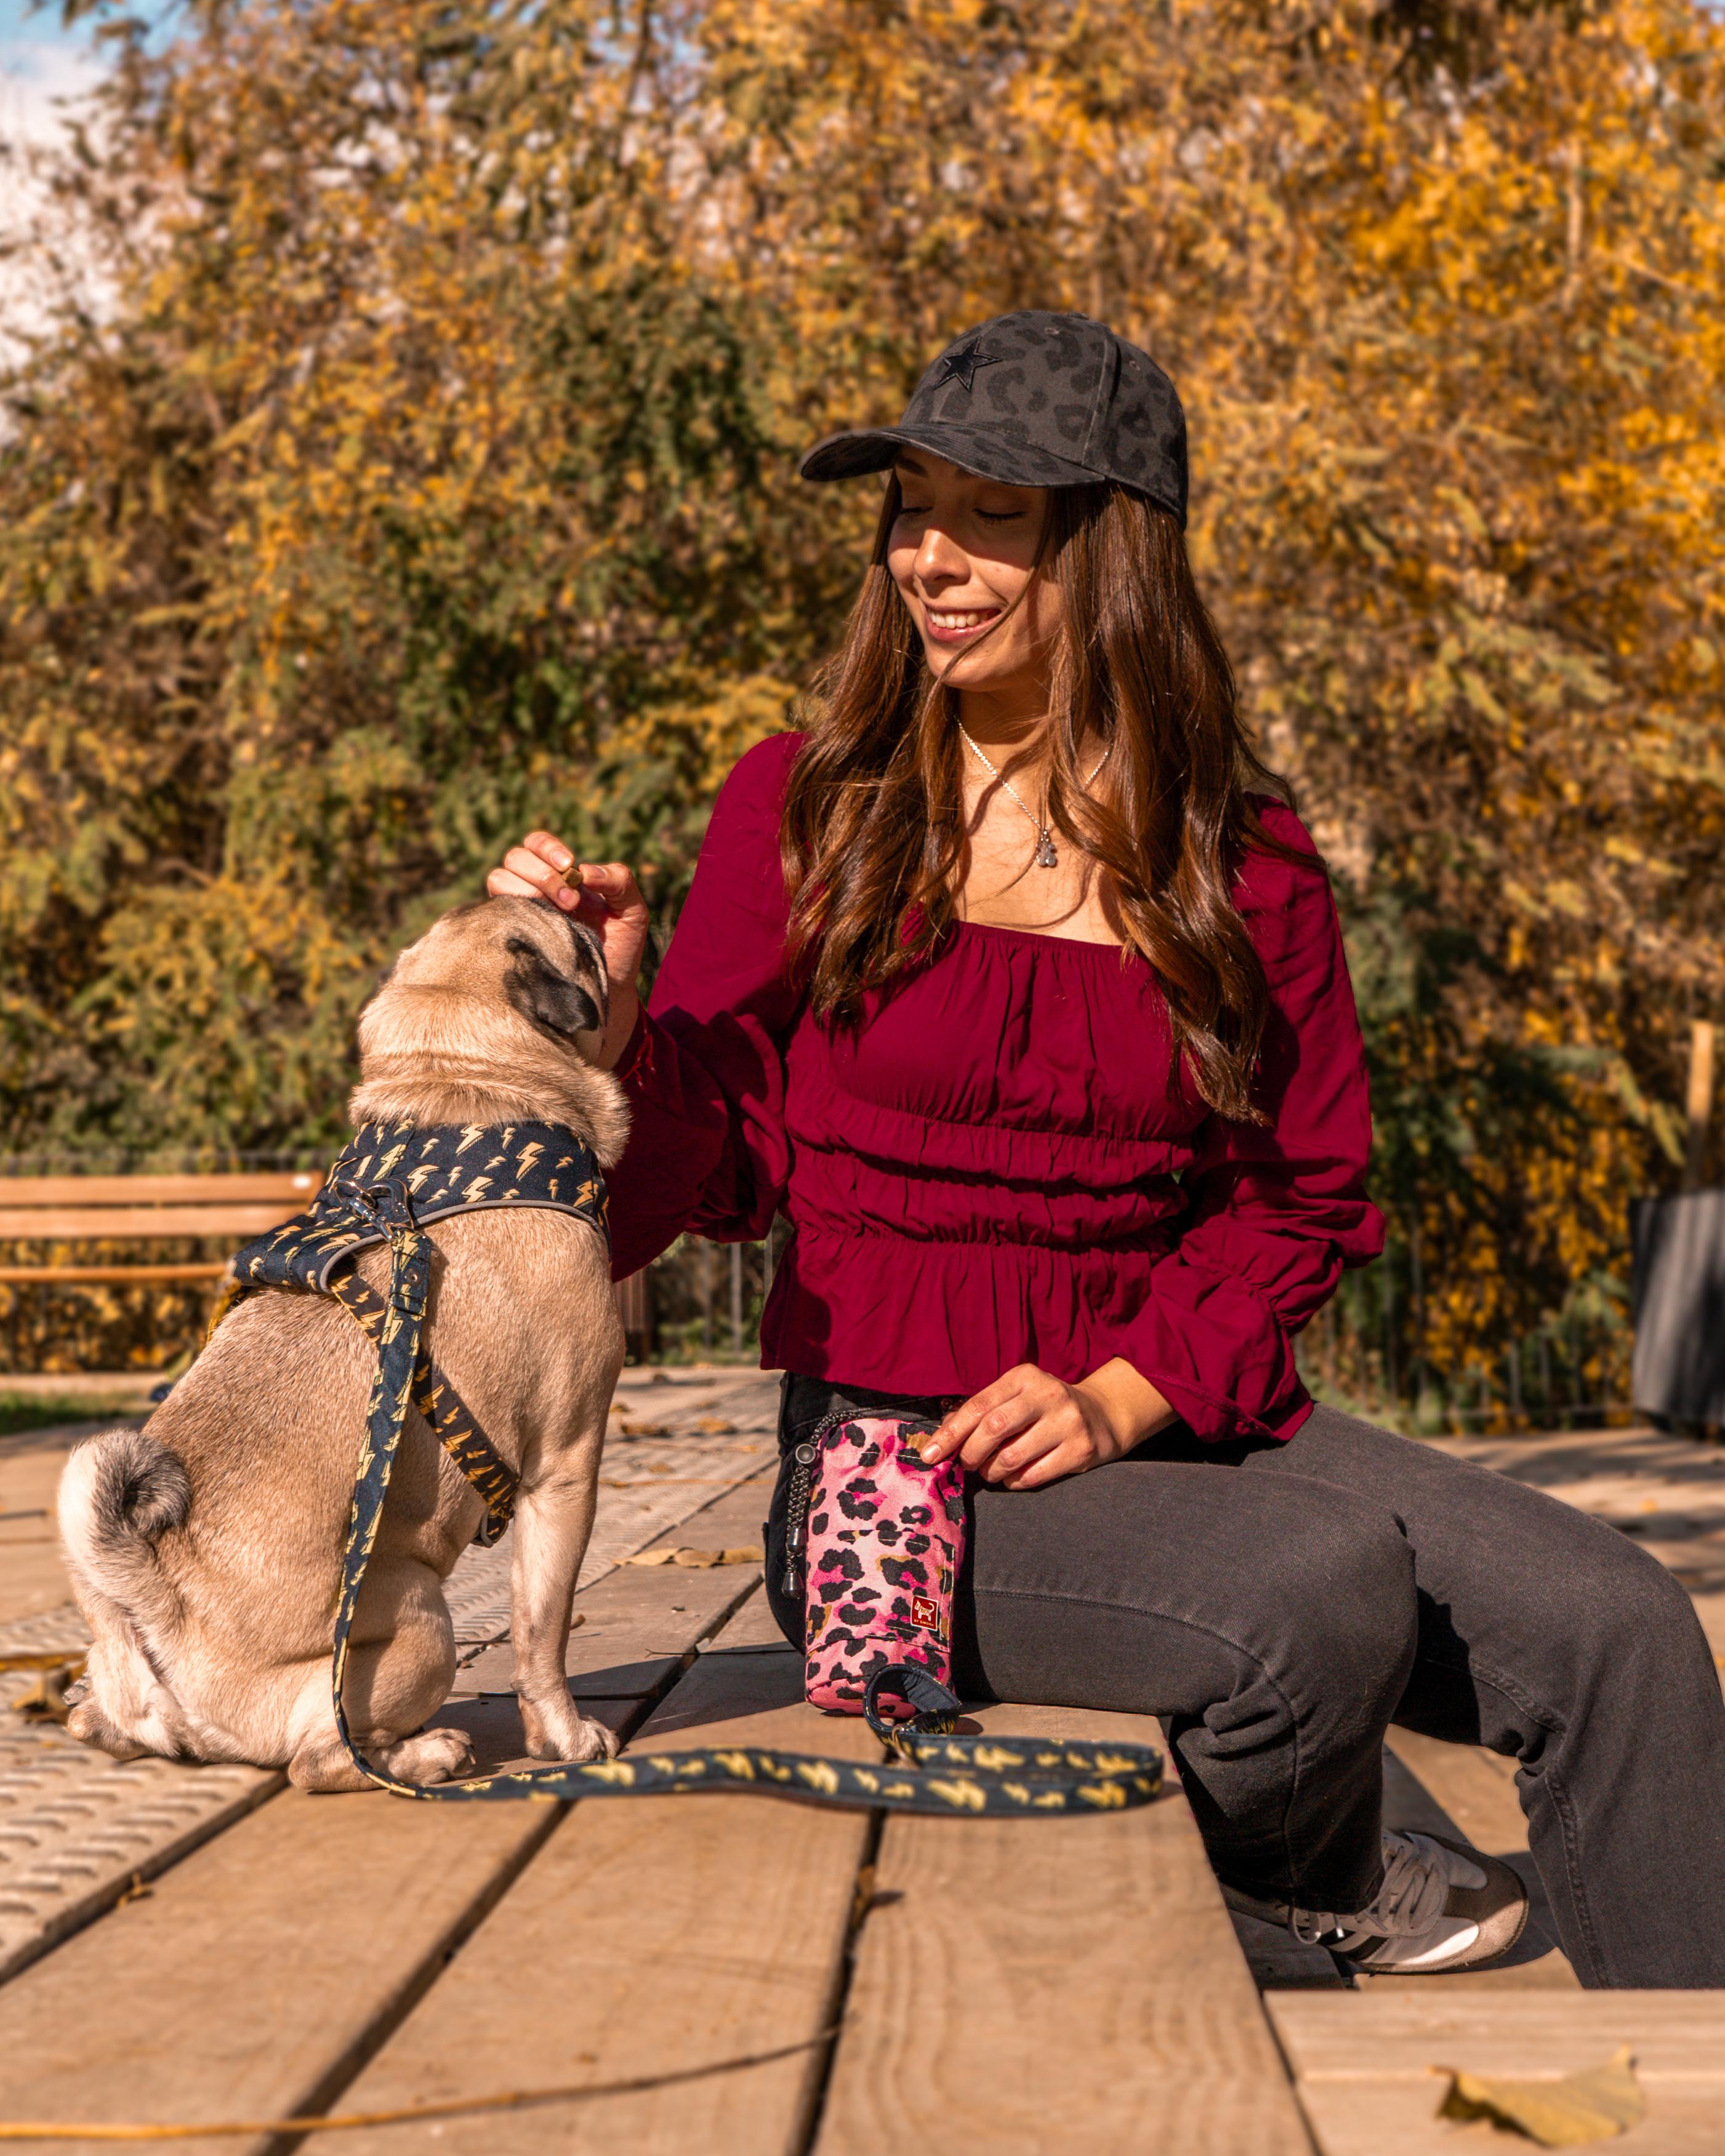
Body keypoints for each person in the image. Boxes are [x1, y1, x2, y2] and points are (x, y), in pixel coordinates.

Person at [488, 310, 1725, 1984]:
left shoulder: (1243, 853)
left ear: (1111, 545)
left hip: (1168, 1415)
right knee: (1312, 1594)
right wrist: (621, 1032)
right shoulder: (805, 805)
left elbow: (1307, 1197)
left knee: (1622, 1626)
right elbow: (700, 1183)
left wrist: (1121, 1394)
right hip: (894, 1478)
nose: (929, 554)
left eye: (989, 514)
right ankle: (1312, 1882)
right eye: (910, 507)